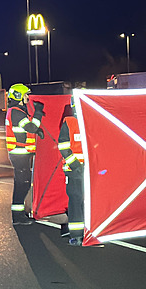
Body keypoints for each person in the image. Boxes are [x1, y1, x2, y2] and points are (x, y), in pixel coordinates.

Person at [5, 83, 45, 225]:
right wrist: (39, 112)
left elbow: (27, 129)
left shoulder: (17, 111)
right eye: (26, 95)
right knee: (23, 184)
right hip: (19, 154)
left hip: (20, 154)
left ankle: (19, 215)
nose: (28, 97)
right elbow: (31, 127)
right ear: (18, 96)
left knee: (22, 184)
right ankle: (18, 217)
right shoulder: (16, 112)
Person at [58, 95, 85, 246]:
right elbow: (63, 146)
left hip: (82, 170)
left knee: (79, 202)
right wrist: (77, 166)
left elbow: (63, 146)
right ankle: (80, 234)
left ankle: (80, 234)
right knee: (79, 202)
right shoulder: (71, 123)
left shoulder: (85, 122)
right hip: (78, 170)